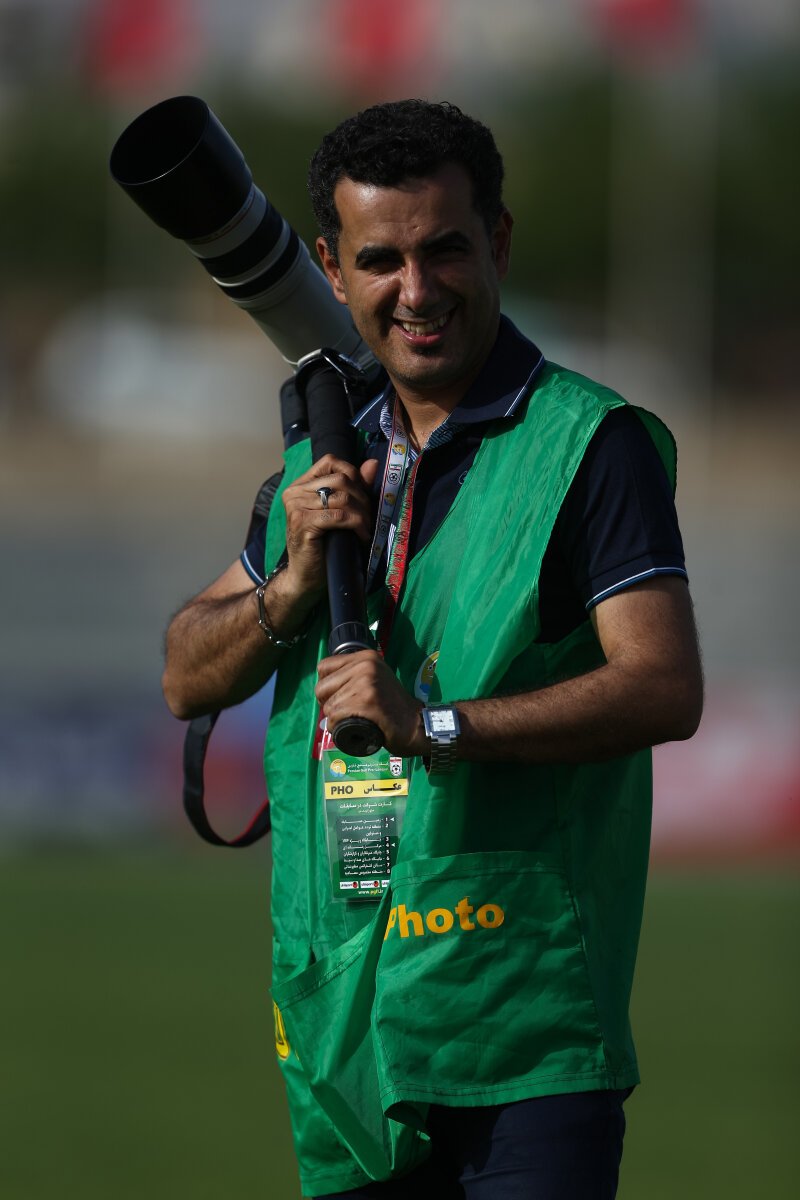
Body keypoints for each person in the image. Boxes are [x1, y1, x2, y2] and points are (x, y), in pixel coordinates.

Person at [162, 100, 703, 1199]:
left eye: (444, 249)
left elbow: (664, 686)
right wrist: (292, 588)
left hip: (522, 1029)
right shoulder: (322, 462)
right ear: (330, 268)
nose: (416, 290)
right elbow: (185, 674)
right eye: (380, 260)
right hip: (345, 1029)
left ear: (495, 242)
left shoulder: (589, 445)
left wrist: (432, 726)